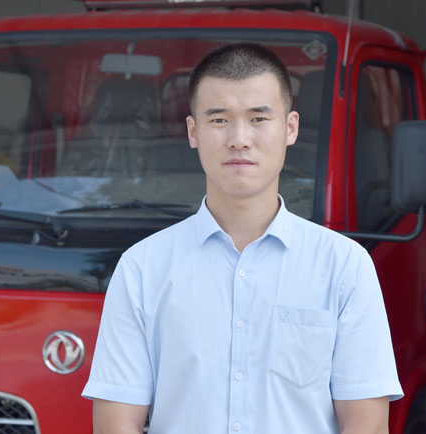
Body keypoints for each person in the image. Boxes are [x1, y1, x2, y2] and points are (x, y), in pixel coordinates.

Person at [82, 43, 403, 434]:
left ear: (291, 128)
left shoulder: (345, 267)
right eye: (219, 120)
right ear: (193, 131)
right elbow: (116, 425)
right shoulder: (142, 269)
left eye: (258, 118)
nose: (239, 138)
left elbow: (367, 426)